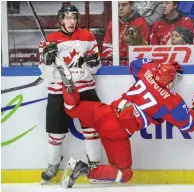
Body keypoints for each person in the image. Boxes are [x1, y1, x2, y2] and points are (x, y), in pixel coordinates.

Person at [57, 57, 194, 188]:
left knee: (71, 108)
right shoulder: (172, 101)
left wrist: (161, 64)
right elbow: (189, 125)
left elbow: (135, 63)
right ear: (171, 82)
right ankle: (83, 169)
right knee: (125, 174)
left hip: (103, 113)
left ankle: (69, 88)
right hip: (117, 132)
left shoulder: (148, 73)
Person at [39, 4, 102, 184]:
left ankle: (95, 166)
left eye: (74, 17)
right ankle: (52, 165)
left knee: (92, 130)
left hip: (85, 89)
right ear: (60, 20)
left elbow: (96, 68)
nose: (71, 21)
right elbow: (45, 73)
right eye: (67, 17)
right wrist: (47, 60)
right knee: (55, 134)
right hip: (59, 89)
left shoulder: (87, 36)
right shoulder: (49, 39)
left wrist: (92, 62)